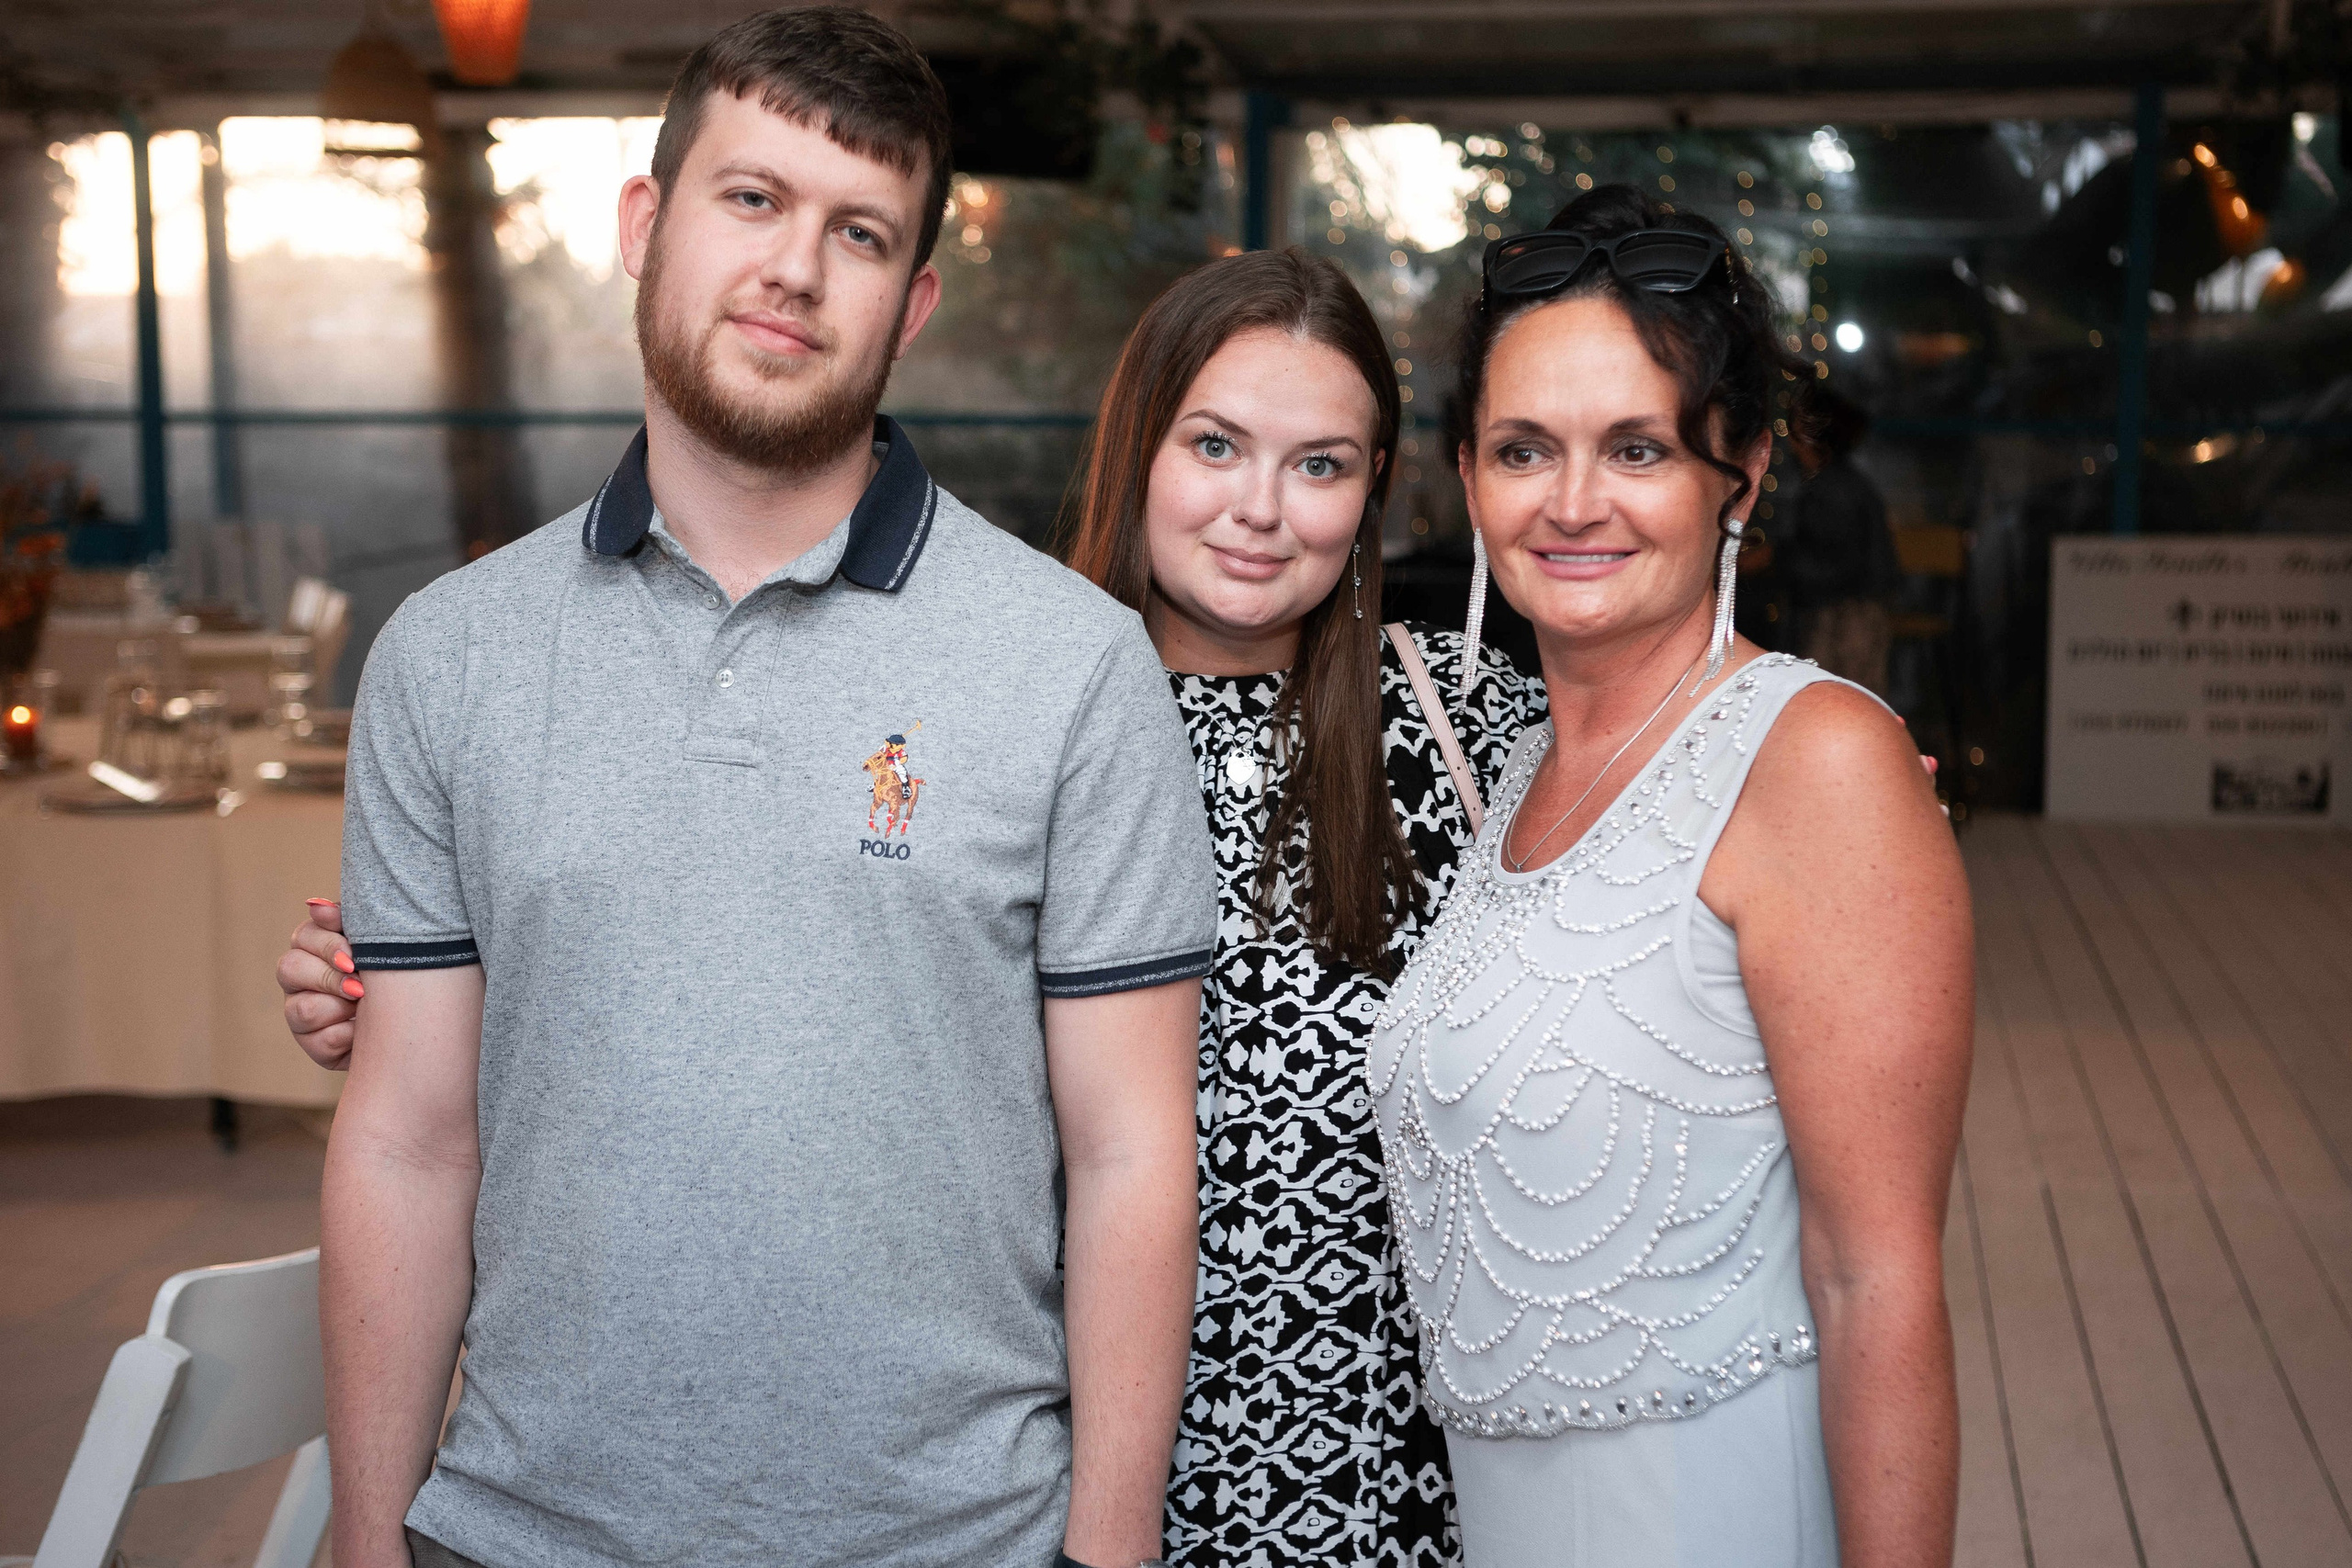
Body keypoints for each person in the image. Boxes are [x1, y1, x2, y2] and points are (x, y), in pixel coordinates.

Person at [287, 246, 1549, 1564]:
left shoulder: (1462, 728)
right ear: (1139, 446)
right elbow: (738, 948)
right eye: (1217, 444)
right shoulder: (1015, 687)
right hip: (1042, 1455)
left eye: (1322, 464)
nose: (1262, 508)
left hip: (1352, 1442)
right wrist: (414, 986)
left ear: (1376, 492)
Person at [311, 11, 1214, 1568]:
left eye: (857, 231)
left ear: (912, 300)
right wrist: (363, 1533)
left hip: (955, 1538)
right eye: (752, 200)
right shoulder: (445, 658)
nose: (797, 267)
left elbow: (1133, 1154)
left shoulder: (1074, 665)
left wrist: (1110, 1552)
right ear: (645, 227)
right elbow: (407, 1137)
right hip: (517, 1534)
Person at [1367, 186, 1972, 1567]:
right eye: (1525, 449)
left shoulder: (1815, 761)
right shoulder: (1506, 766)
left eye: (1636, 447)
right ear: (1466, 479)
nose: (1573, 502)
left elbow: (1877, 1281)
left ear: (1741, 476)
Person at [1782, 385, 1901, 695]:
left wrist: (1775, 561)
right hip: (1858, 610)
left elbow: (1834, 563)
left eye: (1795, 432)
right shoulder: (1846, 482)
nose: (1791, 444)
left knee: (1839, 700)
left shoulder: (1832, 490)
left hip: (1844, 617)